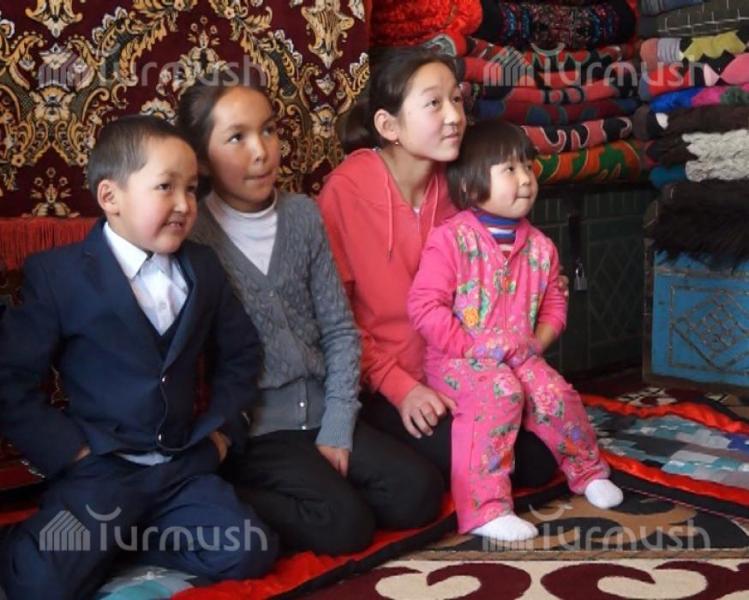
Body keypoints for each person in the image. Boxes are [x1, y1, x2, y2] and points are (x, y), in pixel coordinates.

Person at [0, 115, 278, 599]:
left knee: (251, 550)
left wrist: (221, 434)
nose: (184, 205)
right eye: (165, 187)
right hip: (101, 469)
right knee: (40, 586)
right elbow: (10, 379)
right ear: (111, 197)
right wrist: (71, 452)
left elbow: (241, 353)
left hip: (180, 465)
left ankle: (123, 539)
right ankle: (62, 540)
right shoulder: (59, 275)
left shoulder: (203, 267)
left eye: (191, 189)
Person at [178, 74, 444, 556]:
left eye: (268, 130)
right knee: (344, 526)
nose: (261, 151)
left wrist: (338, 426)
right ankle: (228, 490)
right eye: (237, 138)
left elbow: (340, 331)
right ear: (201, 158)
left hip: (325, 410)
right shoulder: (195, 238)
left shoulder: (302, 216)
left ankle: (328, 494)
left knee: (418, 493)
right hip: (261, 432)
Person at [317, 47, 561, 491]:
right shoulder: (345, 192)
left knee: (538, 461)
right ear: (388, 126)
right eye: (434, 103)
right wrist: (400, 387)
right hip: (384, 382)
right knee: (437, 480)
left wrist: (539, 283)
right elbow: (336, 319)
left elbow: (501, 264)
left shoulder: (460, 184)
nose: (454, 117)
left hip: (460, 369)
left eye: (456, 99)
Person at [408, 119, 624, 542]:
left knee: (555, 393)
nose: (525, 178)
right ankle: (485, 509)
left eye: (527, 166)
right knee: (499, 392)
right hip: (457, 360)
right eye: (509, 169)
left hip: (518, 355)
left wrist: (537, 343)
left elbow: (555, 304)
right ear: (470, 186)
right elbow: (425, 307)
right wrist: (468, 347)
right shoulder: (451, 240)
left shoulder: (541, 247)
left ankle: (587, 471)